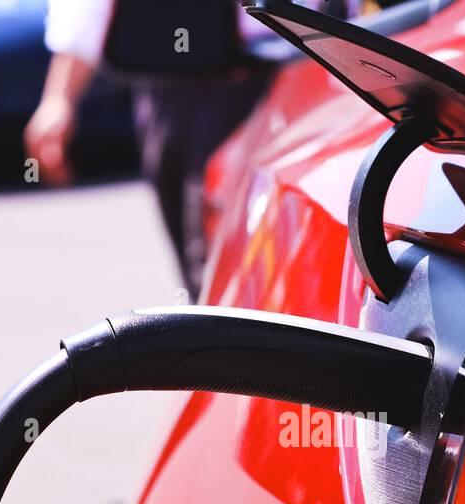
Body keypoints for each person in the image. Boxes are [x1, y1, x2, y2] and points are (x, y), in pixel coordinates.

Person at [25, 0, 314, 298]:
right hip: (172, 87)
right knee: (203, 258)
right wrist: (58, 98)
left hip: (279, 74)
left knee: (235, 251)